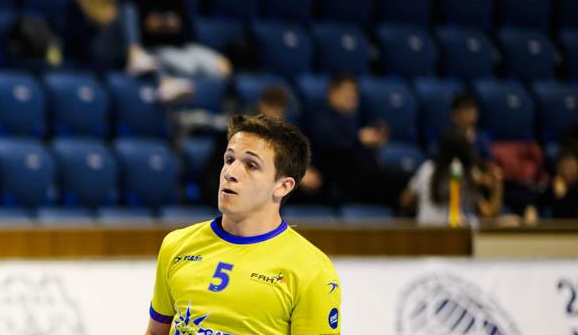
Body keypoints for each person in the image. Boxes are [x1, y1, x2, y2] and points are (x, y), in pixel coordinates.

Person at [135, 114, 341, 335]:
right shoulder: (177, 245)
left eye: (251, 165)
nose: (231, 173)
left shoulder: (311, 269)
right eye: (229, 159)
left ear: (283, 186)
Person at [202, 86, 325, 205]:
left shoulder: (287, 140)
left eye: (280, 110)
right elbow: (212, 180)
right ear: (262, 105)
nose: (276, 115)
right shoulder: (236, 136)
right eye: (230, 160)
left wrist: (297, 173)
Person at [306, 75, 409, 207]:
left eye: (354, 93)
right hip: (339, 180)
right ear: (332, 92)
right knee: (405, 180)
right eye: (347, 92)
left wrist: (375, 142)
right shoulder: (319, 116)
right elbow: (331, 145)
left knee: (409, 181)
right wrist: (359, 139)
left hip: (362, 176)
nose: (352, 97)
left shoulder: (352, 119)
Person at [127, 0, 230, 81]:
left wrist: (170, 27)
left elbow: (189, 33)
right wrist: (156, 27)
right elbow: (138, 37)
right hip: (157, 49)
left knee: (223, 65)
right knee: (187, 67)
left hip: (184, 47)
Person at [401, 131, 504, 227]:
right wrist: (498, 187)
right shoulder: (464, 175)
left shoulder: (426, 168)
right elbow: (489, 214)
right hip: (453, 236)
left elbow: (405, 200)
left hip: (427, 233)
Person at [534, 151, 578, 219]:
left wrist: (561, 197)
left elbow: (571, 215)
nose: (571, 170)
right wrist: (531, 207)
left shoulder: (575, 189)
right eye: (567, 166)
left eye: (573, 166)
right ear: (560, 168)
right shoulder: (555, 185)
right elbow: (539, 202)